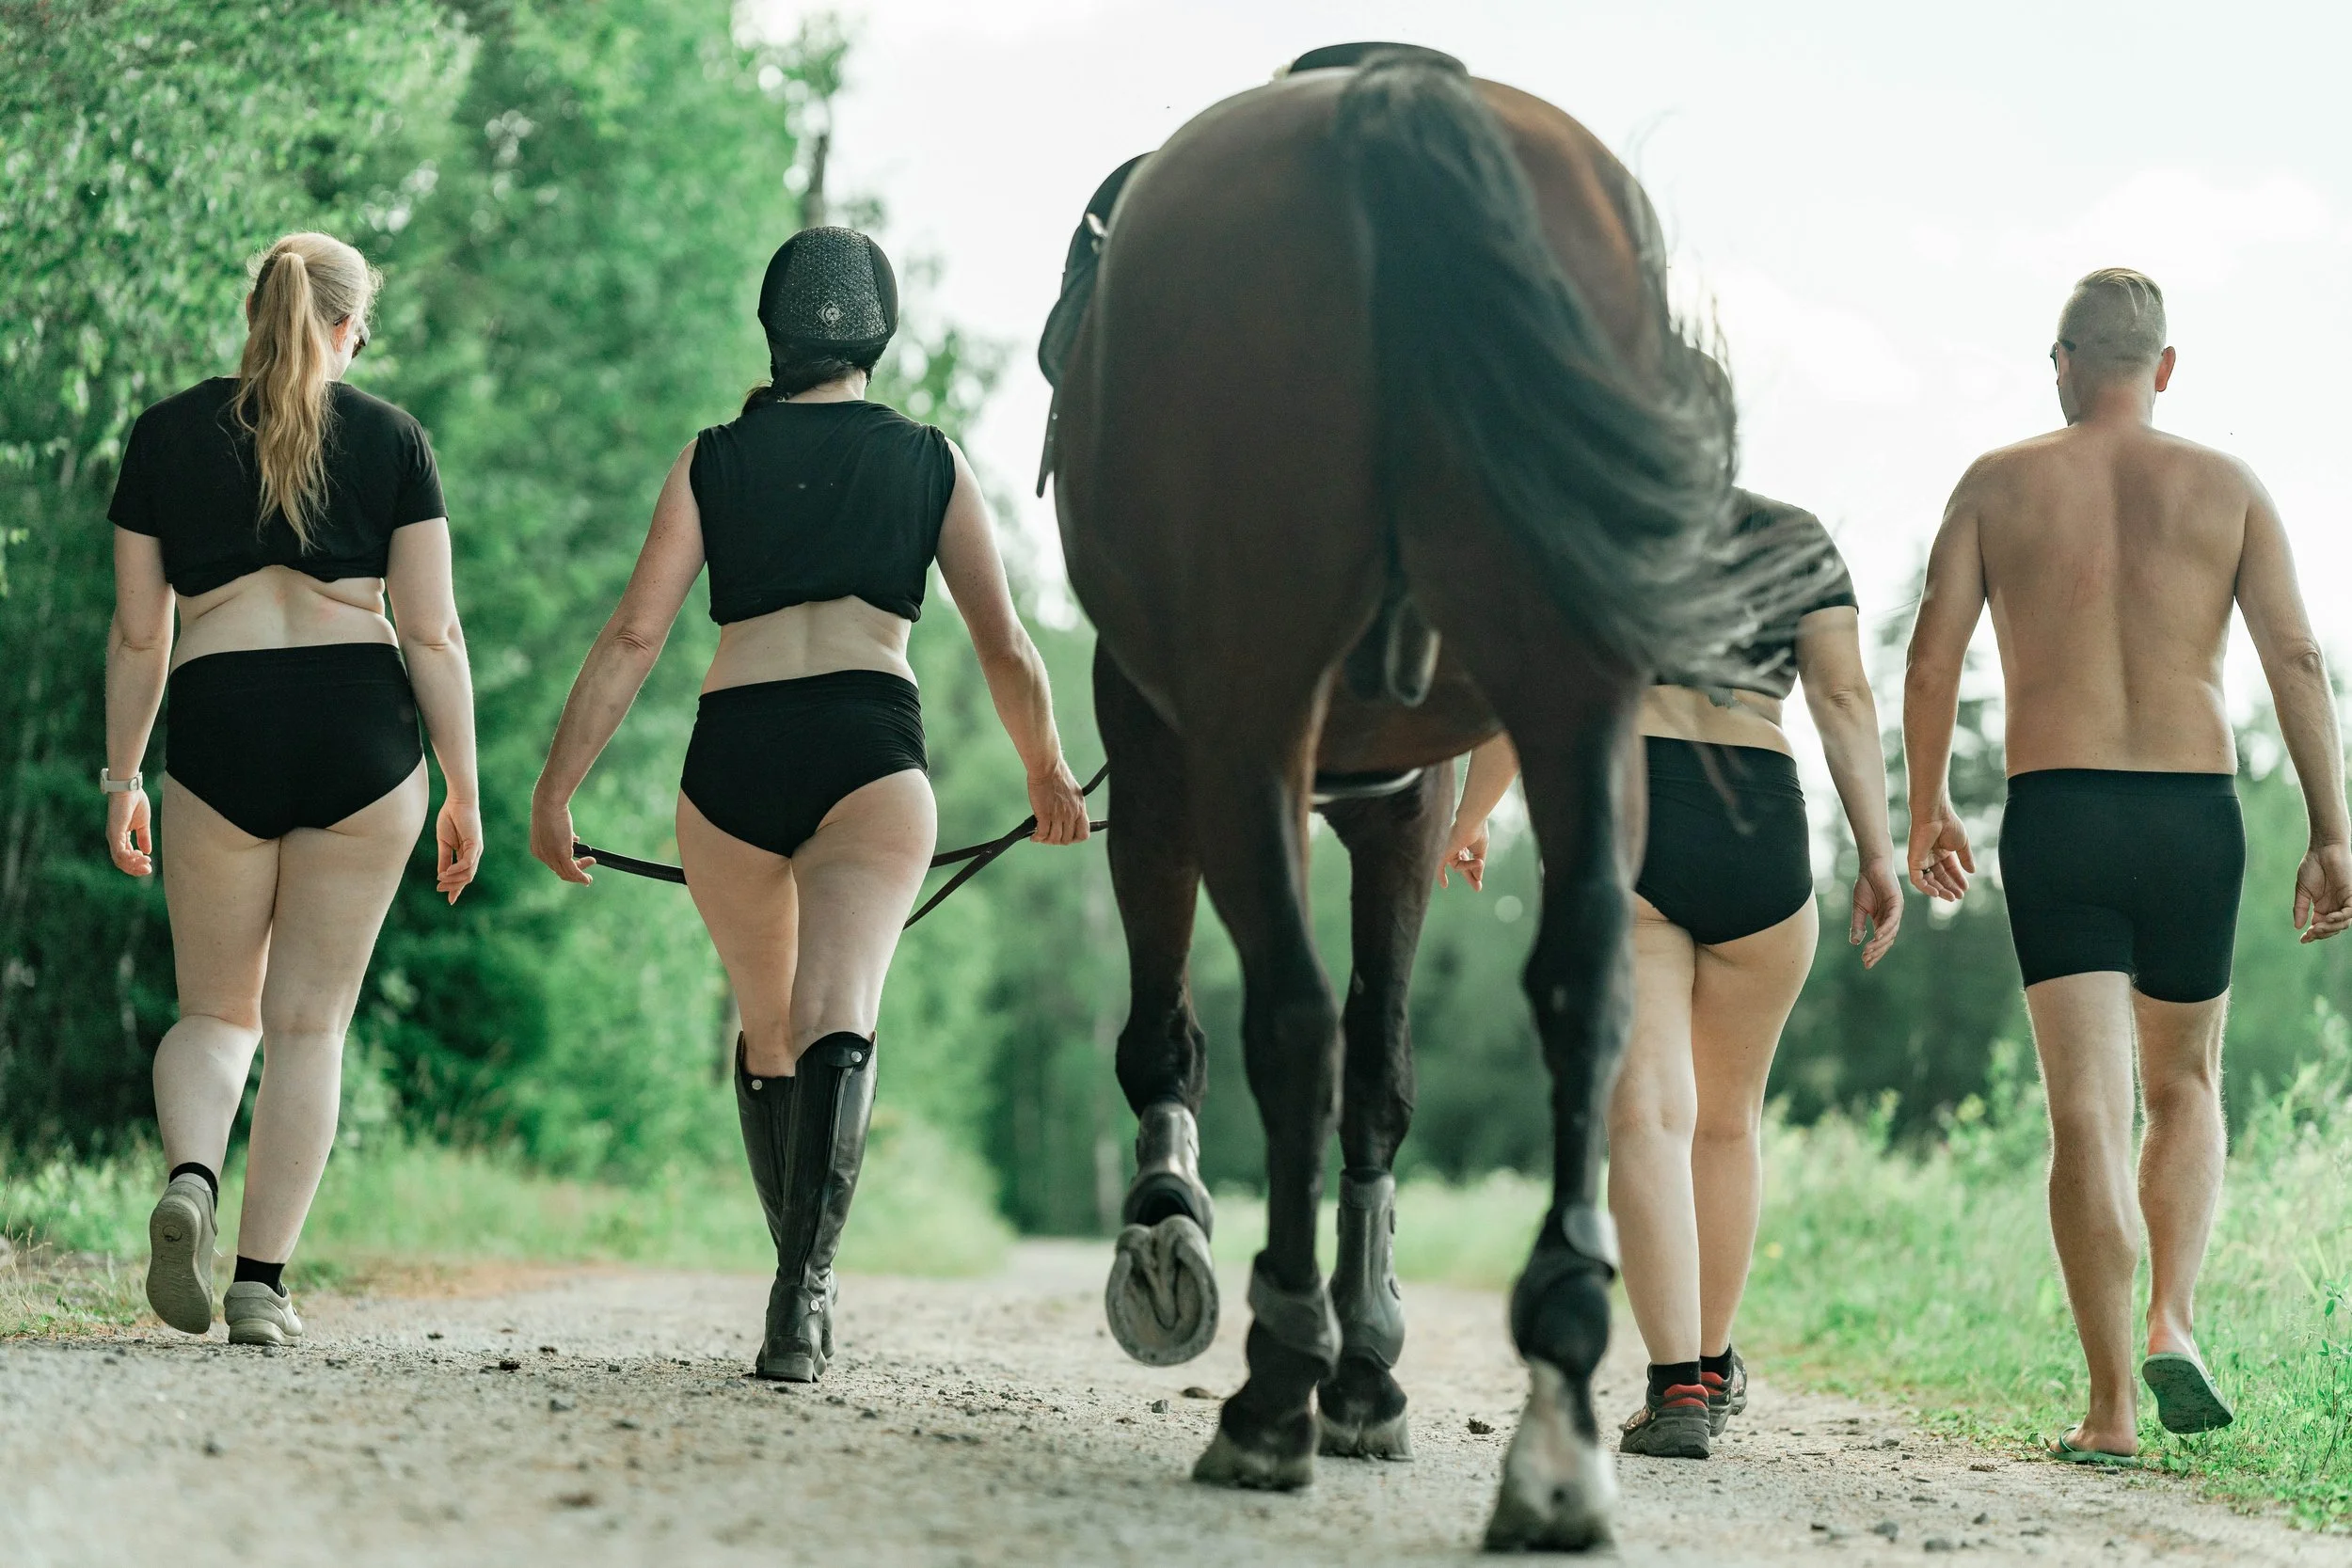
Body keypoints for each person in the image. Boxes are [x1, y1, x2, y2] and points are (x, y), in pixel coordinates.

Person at [528, 227, 1089, 1383]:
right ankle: (802, 1298)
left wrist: (555, 789)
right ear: (876, 334)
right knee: (841, 1010)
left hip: (731, 753)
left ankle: (790, 1267)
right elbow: (1008, 645)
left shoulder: (710, 457)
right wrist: (1045, 772)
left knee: (767, 1022)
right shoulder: (929, 458)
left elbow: (636, 635)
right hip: (865, 746)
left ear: (773, 331)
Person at [1905, 268, 2352, 1462]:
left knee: (2084, 1112)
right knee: (2186, 1086)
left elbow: (1931, 652)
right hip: (2191, 812)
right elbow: (2296, 657)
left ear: (2060, 364)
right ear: (2163, 367)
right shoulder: (2229, 487)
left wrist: (1929, 803)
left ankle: (2107, 1410)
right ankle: (2173, 1314)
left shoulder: (1997, 484)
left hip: (2057, 811)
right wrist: (2332, 826)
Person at [1441, 489, 1900, 1459]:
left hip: (1629, 803)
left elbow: (1525, 692)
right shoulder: (1794, 533)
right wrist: (1876, 851)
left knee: (1646, 1111)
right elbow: (1843, 696)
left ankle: (1676, 1386)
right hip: (1763, 816)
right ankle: (1713, 1357)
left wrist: (1470, 812)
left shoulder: (1594, 517)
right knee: (1728, 1119)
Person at [106, 231, 481, 1346]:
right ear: (349, 324)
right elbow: (434, 628)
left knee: (217, 1010)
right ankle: (260, 1285)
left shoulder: (167, 433)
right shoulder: (391, 437)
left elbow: (139, 632)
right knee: (309, 1025)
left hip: (221, 722)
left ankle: (190, 1177)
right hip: (357, 727)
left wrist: (122, 774)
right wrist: (462, 785)